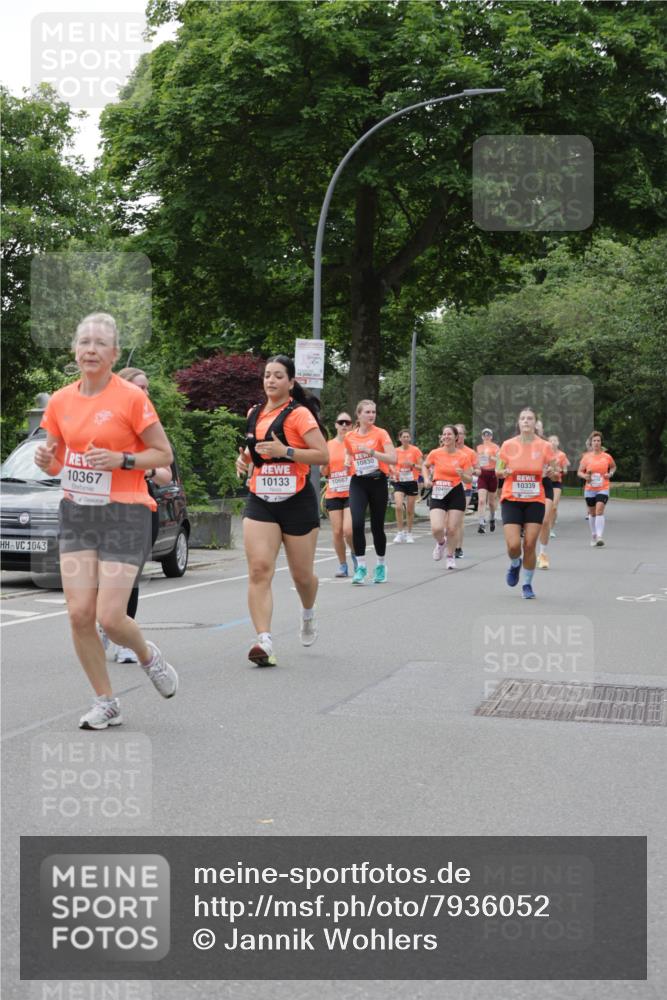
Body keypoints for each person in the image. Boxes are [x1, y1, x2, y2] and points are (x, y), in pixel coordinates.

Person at [34, 313, 178, 730]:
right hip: (78, 512)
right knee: (80, 614)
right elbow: (56, 460)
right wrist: (48, 460)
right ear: (74, 351)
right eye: (84, 342)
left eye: (100, 343)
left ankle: (149, 657)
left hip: (125, 511)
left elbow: (163, 455)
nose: (90, 349)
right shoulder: (60, 401)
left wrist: (123, 459)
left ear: (114, 354)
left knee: (110, 617)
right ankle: (106, 701)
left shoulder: (132, 398)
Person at [236, 355, 328, 666]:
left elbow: (323, 455)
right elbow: (255, 450)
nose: (271, 381)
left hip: (297, 499)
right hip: (261, 498)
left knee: (303, 577)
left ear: (291, 382)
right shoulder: (254, 413)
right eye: (267, 375)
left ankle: (308, 612)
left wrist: (285, 452)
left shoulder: (300, 415)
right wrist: (245, 460)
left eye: (278, 376)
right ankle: (264, 640)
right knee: (260, 568)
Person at [97, 367, 174, 662]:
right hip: (100, 510)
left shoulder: (149, 429)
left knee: (127, 577)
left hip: (139, 509)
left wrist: (140, 465)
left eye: (148, 388)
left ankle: (125, 642)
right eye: (140, 387)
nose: (145, 393)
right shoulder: (102, 424)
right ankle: (108, 623)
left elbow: (166, 475)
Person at [496, 407, 558, 599]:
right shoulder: (507, 445)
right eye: (522, 418)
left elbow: (555, 469)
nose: (526, 421)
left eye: (529, 418)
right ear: (518, 422)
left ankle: (527, 584)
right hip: (512, 499)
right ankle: (515, 564)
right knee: (514, 545)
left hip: (534, 499)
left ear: (535, 423)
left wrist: (550, 471)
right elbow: (498, 469)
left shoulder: (544, 446)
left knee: (530, 544)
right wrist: (503, 472)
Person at [343, 400, 396, 585]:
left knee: (376, 526)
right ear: (359, 415)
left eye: (374, 411)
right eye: (367, 412)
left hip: (377, 481)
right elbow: (350, 453)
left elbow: (393, 458)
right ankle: (361, 567)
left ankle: (381, 565)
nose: (372, 415)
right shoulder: (349, 437)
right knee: (356, 523)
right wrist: (347, 461)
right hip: (358, 482)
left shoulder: (381, 433)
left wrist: (372, 452)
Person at [423, 424, 474, 570]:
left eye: (449, 434)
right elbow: (425, 466)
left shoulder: (463, 456)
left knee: (452, 528)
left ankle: (450, 556)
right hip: (438, 492)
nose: (446, 437)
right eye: (444, 434)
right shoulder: (435, 453)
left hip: (455, 493)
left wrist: (462, 475)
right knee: (436, 528)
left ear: (456, 437)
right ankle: (440, 543)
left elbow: (469, 479)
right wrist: (426, 479)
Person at [322, 411, 357, 578]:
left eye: (347, 423)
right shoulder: (328, 445)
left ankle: (356, 555)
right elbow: (324, 471)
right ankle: (343, 565)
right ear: (335, 425)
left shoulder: (356, 444)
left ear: (351, 425)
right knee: (336, 532)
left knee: (348, 531)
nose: (344, 425)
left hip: (352, 492)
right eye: (341, 422)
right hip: (333, 492)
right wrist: (323, 466)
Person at [577, 431, 616, 546]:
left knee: (599, 510)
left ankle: (599, 536)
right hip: (590, 488)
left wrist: (611, 474)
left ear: (601, 442)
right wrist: (585, 476)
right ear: (591, 443)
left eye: (598, 440)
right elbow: (579, 472)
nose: (596, 443)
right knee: (592, 513)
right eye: (594, 441)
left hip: (603, 487)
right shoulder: (586, 457)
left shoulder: (607, 456)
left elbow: (613, 467)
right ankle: (594, 534)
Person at [390, 429, 423, 544]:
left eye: (407, 436)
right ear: (400, 439)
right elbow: (391, 464)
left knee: (410, 509)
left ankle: (409, 533)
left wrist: (412, 465)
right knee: (398, 506)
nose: (405, 438)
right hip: (399, 482)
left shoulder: (415, 450)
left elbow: (421, 467)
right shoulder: (395, 451)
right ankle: (400, 532)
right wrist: (394, 472)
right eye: (403, 437)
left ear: (410, 438)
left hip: (411, 481)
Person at [454, 424, 478, 558]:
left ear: (464, 436)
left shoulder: (470, 453)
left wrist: (469, 471)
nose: (458, 436)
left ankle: (458, 548)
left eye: (461, 433)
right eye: (456, 433)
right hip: (447, 488)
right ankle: (449, 542)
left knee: (459, 518)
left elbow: (478, 470)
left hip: (465, 488)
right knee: (448, 520)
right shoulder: (444, 450)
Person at [475, 428, 499, 534]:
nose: (486, 436)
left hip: (492, 474)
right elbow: (476, 460)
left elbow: (500, 460)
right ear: (482, 437)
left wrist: (491, 457)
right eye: (484, 435)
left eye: (488, 435)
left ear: (491, 436)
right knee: (481, 500)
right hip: (482, 473)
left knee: (492, 503)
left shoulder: (495, 447)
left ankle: (492, 518)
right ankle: (481, 523)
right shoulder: (479, 447)